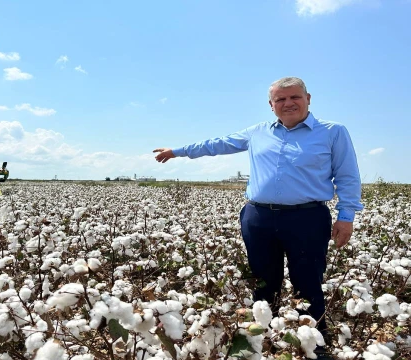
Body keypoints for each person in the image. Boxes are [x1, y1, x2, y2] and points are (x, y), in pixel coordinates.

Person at [153, 76, 363, 358]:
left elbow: (347, 176)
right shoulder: (258, 132)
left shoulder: (333, 132)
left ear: (308, 98)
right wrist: (177, 151)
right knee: (263, 280)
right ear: (271, 104)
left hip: (308, 217)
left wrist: (346, 216)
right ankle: (264, 340)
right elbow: (218, 144)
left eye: (294, 97)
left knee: (308, 281)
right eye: (281, 99)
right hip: (258, 217)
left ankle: (314, 344)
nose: (288, 103)